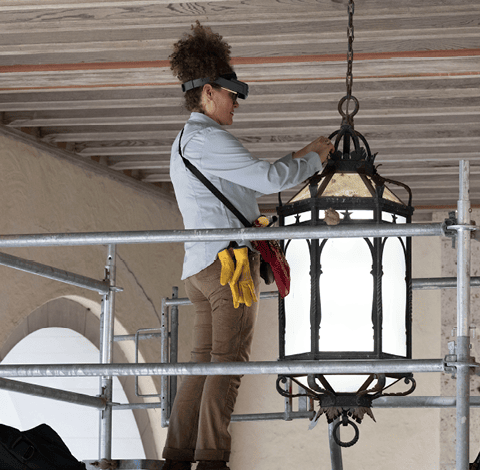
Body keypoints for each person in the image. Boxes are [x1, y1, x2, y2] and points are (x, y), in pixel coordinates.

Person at [163, 22, 334, 470]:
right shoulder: (209, 138)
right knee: (227, 365)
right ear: (207, 93)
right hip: (229, 269)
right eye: (229, 92)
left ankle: (179, 458)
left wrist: (302, 156)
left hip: (201, 269)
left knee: (202, 365)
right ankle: (214, 460)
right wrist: (315, 159)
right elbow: (267, 180)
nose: (235, 101)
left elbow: (251, 184)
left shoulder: (186, 141)